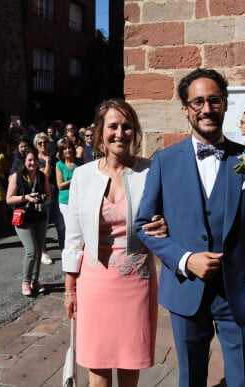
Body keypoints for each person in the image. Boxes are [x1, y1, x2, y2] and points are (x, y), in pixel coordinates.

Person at [135, 68, 245, 387]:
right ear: (185, 108)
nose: (206, 108)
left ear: (226, 104)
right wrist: (185, 259)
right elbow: (143, 225)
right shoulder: (164, 161)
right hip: (186, 290)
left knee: (243, 377)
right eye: (197, 101)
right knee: (191, 378)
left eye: (214, 100)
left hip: (239, 292)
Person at [62, 98, 167, 387]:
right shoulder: (83, 176)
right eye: (113, 126)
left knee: (130, 360)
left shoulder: (150, 172)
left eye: (127, 126)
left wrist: (165, 224)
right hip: (94, 282)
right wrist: (70, 289)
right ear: (100, 133)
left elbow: (169, 217)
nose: (120, 133)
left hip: (136, 281)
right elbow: (73, 236)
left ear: (135, 131)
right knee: (98, 361)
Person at [6, 148, 51, 296]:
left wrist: (42, 200)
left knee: (38, 251)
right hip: (23, 219)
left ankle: (35, 281)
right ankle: (25, 282)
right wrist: (26, 198)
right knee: (31, 251)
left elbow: (49, 197)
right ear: (24, 162)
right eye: (29, 160)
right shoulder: (16, 177)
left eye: (35, 160)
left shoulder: (42, 176)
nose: (33, 163)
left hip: (39, 217)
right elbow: (9, 199)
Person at [34, 132, 54, 265]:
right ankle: (43, 252)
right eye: (40, 143)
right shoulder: (35, 160)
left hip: (54, 194)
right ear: (36, 145)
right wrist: (47, 162)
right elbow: (45, 176)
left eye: (45, 142)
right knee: (43, 225)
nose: (43, 145)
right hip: (42, 196)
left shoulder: (53, 157)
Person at [55, 138, 79, 223]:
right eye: (65, 149)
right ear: (61, 151)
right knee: (70, 226)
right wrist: (74, 180)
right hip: (65, 200)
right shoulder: (59, 165)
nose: (68, 150)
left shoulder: (79, 163)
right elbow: (60, 185)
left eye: (69, 148)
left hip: (78, 199)